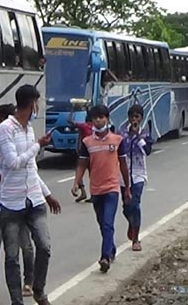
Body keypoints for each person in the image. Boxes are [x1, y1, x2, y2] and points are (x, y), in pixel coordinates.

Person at [0, 104, 61, 304]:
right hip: (2, 202)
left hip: (27, 199)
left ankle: (31, 284)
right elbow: (8, 166)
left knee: (34, 246)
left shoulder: (28, 131)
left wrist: (47, 195)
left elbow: (29, 169)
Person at [72, 105, 131, 273]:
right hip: (96, 189)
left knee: (107, 223)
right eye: (95, 118)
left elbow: (123, 165)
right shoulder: (87, 142)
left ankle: (105, 257)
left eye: (101, 117)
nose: (98, 121)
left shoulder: (117, 140)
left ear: (107, 119)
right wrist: (76, 182)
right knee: (102, 223)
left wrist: (127, 187)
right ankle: (111, 248)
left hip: (112, 188)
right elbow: (82, 164)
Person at [119, 104, 153, 252]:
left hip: (139, 173)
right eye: (132, 117)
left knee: (135, 204)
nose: (134, 119)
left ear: (141, 118)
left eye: (137, 117)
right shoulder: (122, 133)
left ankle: (136, 239)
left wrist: (138, 137)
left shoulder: (145, 133)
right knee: (126, 207)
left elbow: (147, 151)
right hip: (124, 174)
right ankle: (132, 223)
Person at [73, 114, 94, 203]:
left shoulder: (84, 126)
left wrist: (73, 110)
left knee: (79, 171)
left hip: (84, 152)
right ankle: (93, 194)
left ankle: (83, 192)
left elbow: (70, 121)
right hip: (93, 152)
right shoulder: (94, 128)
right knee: (92, 174)